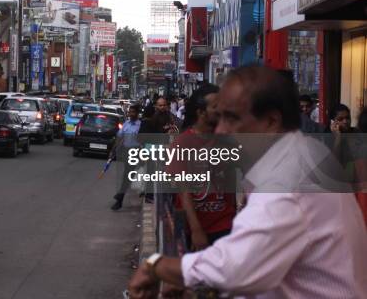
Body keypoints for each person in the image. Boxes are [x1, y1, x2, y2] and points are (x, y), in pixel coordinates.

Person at [128, 66, 367, 298]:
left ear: (271, 121)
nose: (220, 130)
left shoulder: (287, 182)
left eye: (231, 118)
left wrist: (155, 265)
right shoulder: (300, 154)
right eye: (219, 117)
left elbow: (231, 269)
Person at [172, 84, 236, 250]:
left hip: (224, 223)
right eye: (215, 106)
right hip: (192, 225)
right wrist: (196, 230)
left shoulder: (226, 141)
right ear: (201, 112)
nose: (221, 110)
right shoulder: (183, 143)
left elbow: (230, 179)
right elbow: (184, 191)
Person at [109, 104, 142, 211]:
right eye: (129, 112)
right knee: (127, 175)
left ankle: (120, 198)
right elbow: (119, 137)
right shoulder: (126, 124)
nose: (130, 114)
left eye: (133, 112)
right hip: (127, 152)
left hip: (136, 152)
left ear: (137, 113)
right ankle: (120, 196)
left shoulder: (140, 125)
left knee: (127, 175)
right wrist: (113, 150)